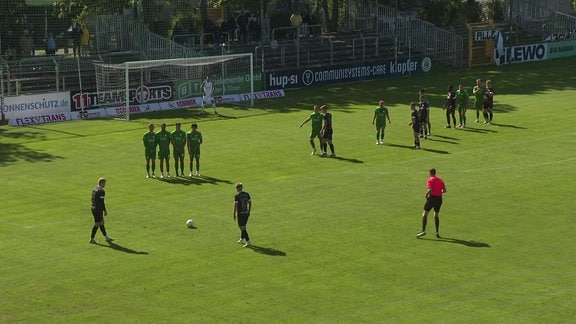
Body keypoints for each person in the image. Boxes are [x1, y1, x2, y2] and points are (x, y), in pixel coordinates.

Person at [417, 168, 447, 239]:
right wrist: (439, 192)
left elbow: (430, 189)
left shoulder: (430, 179)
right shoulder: (440, 180)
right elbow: (444, 190)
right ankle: (437, 232)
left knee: (425, 214)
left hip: (432, 198)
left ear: (430, 173)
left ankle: (423, 231)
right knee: (436, 215)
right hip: (439, 199)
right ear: (435, 173)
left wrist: (426, 194)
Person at [89, 177, 114, 244]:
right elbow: (101, 202)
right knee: (97, 224)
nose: (105, 184)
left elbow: (92, 199)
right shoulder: (101, 191)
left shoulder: (94, 189)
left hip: (93, 207)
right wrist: (104, 210)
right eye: (104, 183)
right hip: (97, 209)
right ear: (101, 183)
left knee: (102, 222)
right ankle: (92, 239)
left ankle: (106, 237)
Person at [233, 182, 252, 247]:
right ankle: (241, 239)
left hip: (240, 214)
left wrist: (234, 214)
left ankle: (248, 241)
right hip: (246, 213)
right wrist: (249, 211)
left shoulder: (237, 196)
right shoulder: (247, 194)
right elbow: (250, 203)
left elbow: (235, 205)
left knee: (242, 228)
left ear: (238, 188)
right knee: (243, 226)